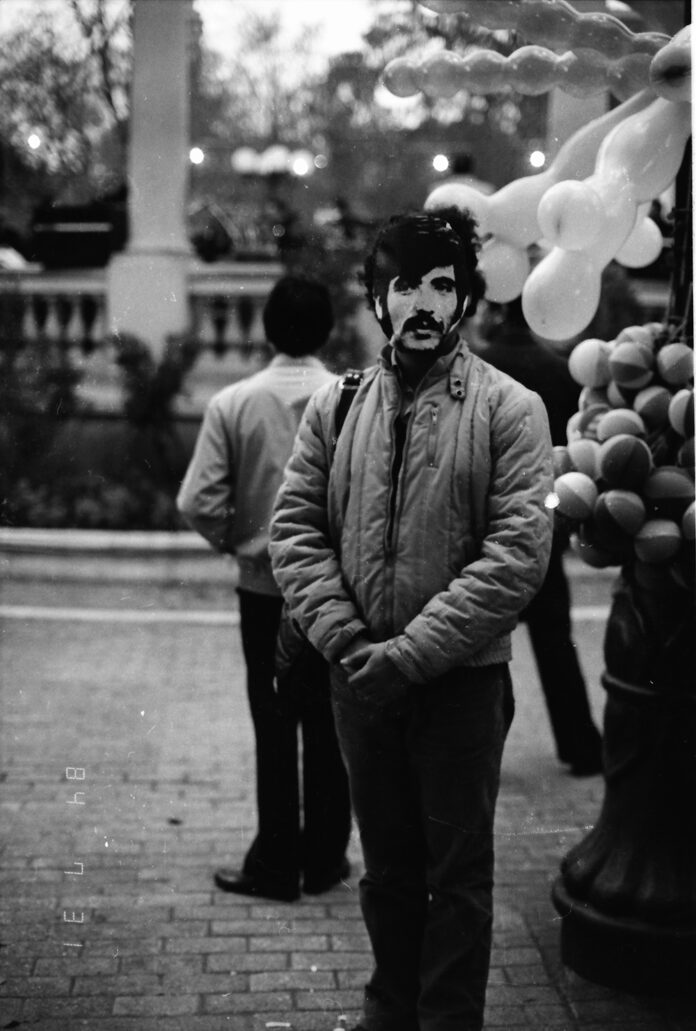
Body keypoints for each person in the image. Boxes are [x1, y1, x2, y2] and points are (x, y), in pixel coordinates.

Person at [269, 209, 554, 1031]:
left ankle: (447, 1020)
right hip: (361, 682)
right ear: (378, 300)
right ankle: (390, 1010)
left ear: (465, 299)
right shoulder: (336, 403)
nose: (425, 301)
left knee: (458, 875)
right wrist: (354, 645)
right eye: (407, 284)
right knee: (388, 868)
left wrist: (412, 653)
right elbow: (293, 529)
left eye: (442, 284)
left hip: (461, 686)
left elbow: (517, 555)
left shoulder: (512, 408)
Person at [177, 274, 352, 902]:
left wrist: (239, 545)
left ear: (267, 329)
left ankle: (275, 861)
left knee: (274, 721)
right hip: (334, 590)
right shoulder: (351, 400)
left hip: (263, 588)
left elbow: (198, 499)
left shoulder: (234, 403)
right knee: (332, 723)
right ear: (327, 329)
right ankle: (326, 858)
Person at [474, 298, 603, 776]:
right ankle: (580, 745)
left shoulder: (482, 368)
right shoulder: (557, 368)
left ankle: (482, 749)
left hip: (489, 529)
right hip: (542, 524)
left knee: (482, 651)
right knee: (556, 645)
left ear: (493, 312)